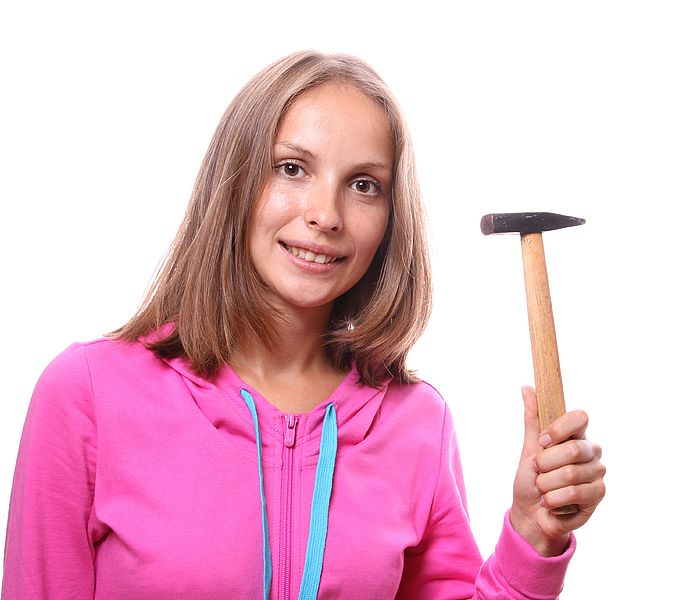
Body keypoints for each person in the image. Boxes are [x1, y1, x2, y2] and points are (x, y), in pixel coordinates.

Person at [1, 51, 605, 599]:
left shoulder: (416, 424)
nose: (325, 215)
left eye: (364, 185)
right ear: (234, 181)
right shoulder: (88, 393)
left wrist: (533, 533)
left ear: (391, 218)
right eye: (292, 169)